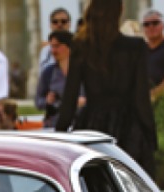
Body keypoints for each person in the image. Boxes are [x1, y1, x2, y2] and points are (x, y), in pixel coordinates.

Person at [57, 0, 157, 176]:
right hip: (129, 127)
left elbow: (69, 98)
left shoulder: (81, 47)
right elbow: (142, 99)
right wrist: (150, 137)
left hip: (93, 126)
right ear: (119, 12)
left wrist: (59, 134)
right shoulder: (136, 47)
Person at [35, 30, 77, 130]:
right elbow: (38, 101)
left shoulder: (84, 72)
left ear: (69, 47)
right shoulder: (48, 73)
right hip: (54, 126)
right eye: (52, 47)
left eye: (57, 46)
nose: (53, 51)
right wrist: (47, 101)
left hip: (80, 126)